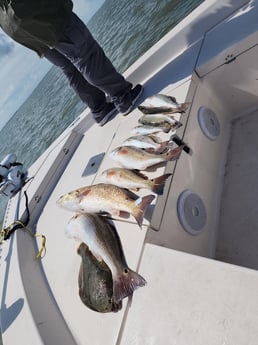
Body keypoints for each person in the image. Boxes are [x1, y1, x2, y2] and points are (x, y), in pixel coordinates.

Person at [0, 0, 143, 126]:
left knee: (68, 66)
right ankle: (123, 97)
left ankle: (100, 109)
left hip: (12, 24)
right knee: (86, 53)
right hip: (34, 9)